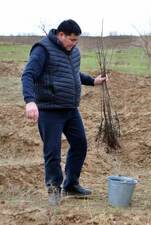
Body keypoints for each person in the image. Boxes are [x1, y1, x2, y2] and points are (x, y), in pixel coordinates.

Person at [21, 19, 107, 205]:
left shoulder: (73, 52)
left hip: (70, 108)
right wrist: (29, 101)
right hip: (49, 109)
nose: (75, 44)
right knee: (52, 151)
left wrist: (93, 81)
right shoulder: (42, 49)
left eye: (77, 40)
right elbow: (28, 75)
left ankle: (71, 184)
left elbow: (73, 73)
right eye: (72, 40)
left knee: (80, 144)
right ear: (61, 35)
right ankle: (54, 188)